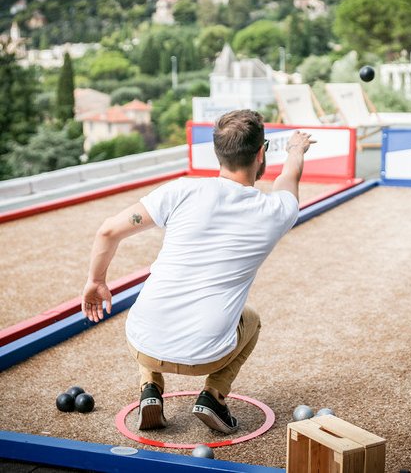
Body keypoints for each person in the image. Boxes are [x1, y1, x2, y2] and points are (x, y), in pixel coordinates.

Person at [81, 109, 315, 433]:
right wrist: (295, 150)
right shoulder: (276, 210)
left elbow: (108, 231)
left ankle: (149, 388)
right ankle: (213, 395)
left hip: (144, 343)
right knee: (253, 320)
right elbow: (288, 179)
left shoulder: (180, 191)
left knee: (149, 304)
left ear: (217, 153)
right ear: (261, 154)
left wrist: (96, 281)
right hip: (209, 354)